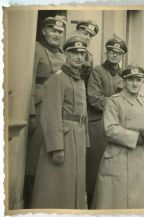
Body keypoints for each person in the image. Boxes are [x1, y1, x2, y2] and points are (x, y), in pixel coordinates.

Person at [31, 35, 90, 209]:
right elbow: (51, 115)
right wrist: (56, 147)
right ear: (66, 54)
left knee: (74, 184)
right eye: (74, 53)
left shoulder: (79, 80)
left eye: (82, 53)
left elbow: (83, 113)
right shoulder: (58, 78)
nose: (79, 57)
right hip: (63, 138)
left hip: (77, 137)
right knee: (57, 186)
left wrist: (85, 139)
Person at [91, 65, 144, 209]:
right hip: (117, 157)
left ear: (142, 82)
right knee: (114, 202)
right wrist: (135, 137)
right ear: (124, 81)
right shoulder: (114, 101)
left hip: (138, 157)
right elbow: (109, 129)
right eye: (130, 80)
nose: (135, 83)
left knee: (135, 202)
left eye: (138, 80)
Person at [24, 15, 66, 208]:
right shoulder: (36, 49)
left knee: (52, 151)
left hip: (58, 109)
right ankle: (30, 199)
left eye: (60, 32)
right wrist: (31, 113)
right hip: (40, 108)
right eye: (53, 30)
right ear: (43, 31)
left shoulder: (63, 54)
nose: (57, 35)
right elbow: (28, 81)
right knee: (34, 156)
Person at [86, 37, 127, 206]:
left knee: (114, 167)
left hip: (118, 126)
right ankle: (92, 205)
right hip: (98, 125)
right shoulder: (97, 71)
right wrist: (116, 105)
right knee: (95, 168)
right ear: (106, 52)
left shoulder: (125, 75)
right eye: (111, 51)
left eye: (118, 53)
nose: (114, 55)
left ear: (122, 55)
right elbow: (94, 98)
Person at [75, 20, 99, 87]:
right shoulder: (65, 52)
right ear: (77, 33)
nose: (88, 37)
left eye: (90, 36)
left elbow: (89, 82)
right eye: (85, 34)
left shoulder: (89, 58)